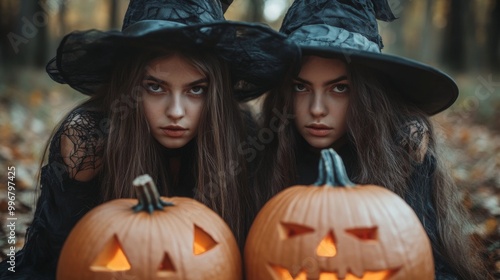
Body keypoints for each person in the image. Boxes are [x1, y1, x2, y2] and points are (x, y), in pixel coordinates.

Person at [0, 0, 298, 279]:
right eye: (155, 87)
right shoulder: (89, 138)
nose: (176, 112)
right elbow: (59, 261)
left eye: (196, 90)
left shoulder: (238, 133)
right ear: (130, 85)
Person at [253, 0, 491, 279]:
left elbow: (429, 264)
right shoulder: (262, 154)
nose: (317, 108)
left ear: (366, 95)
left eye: (339, 88)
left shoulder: (403, 156)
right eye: (301, 87)